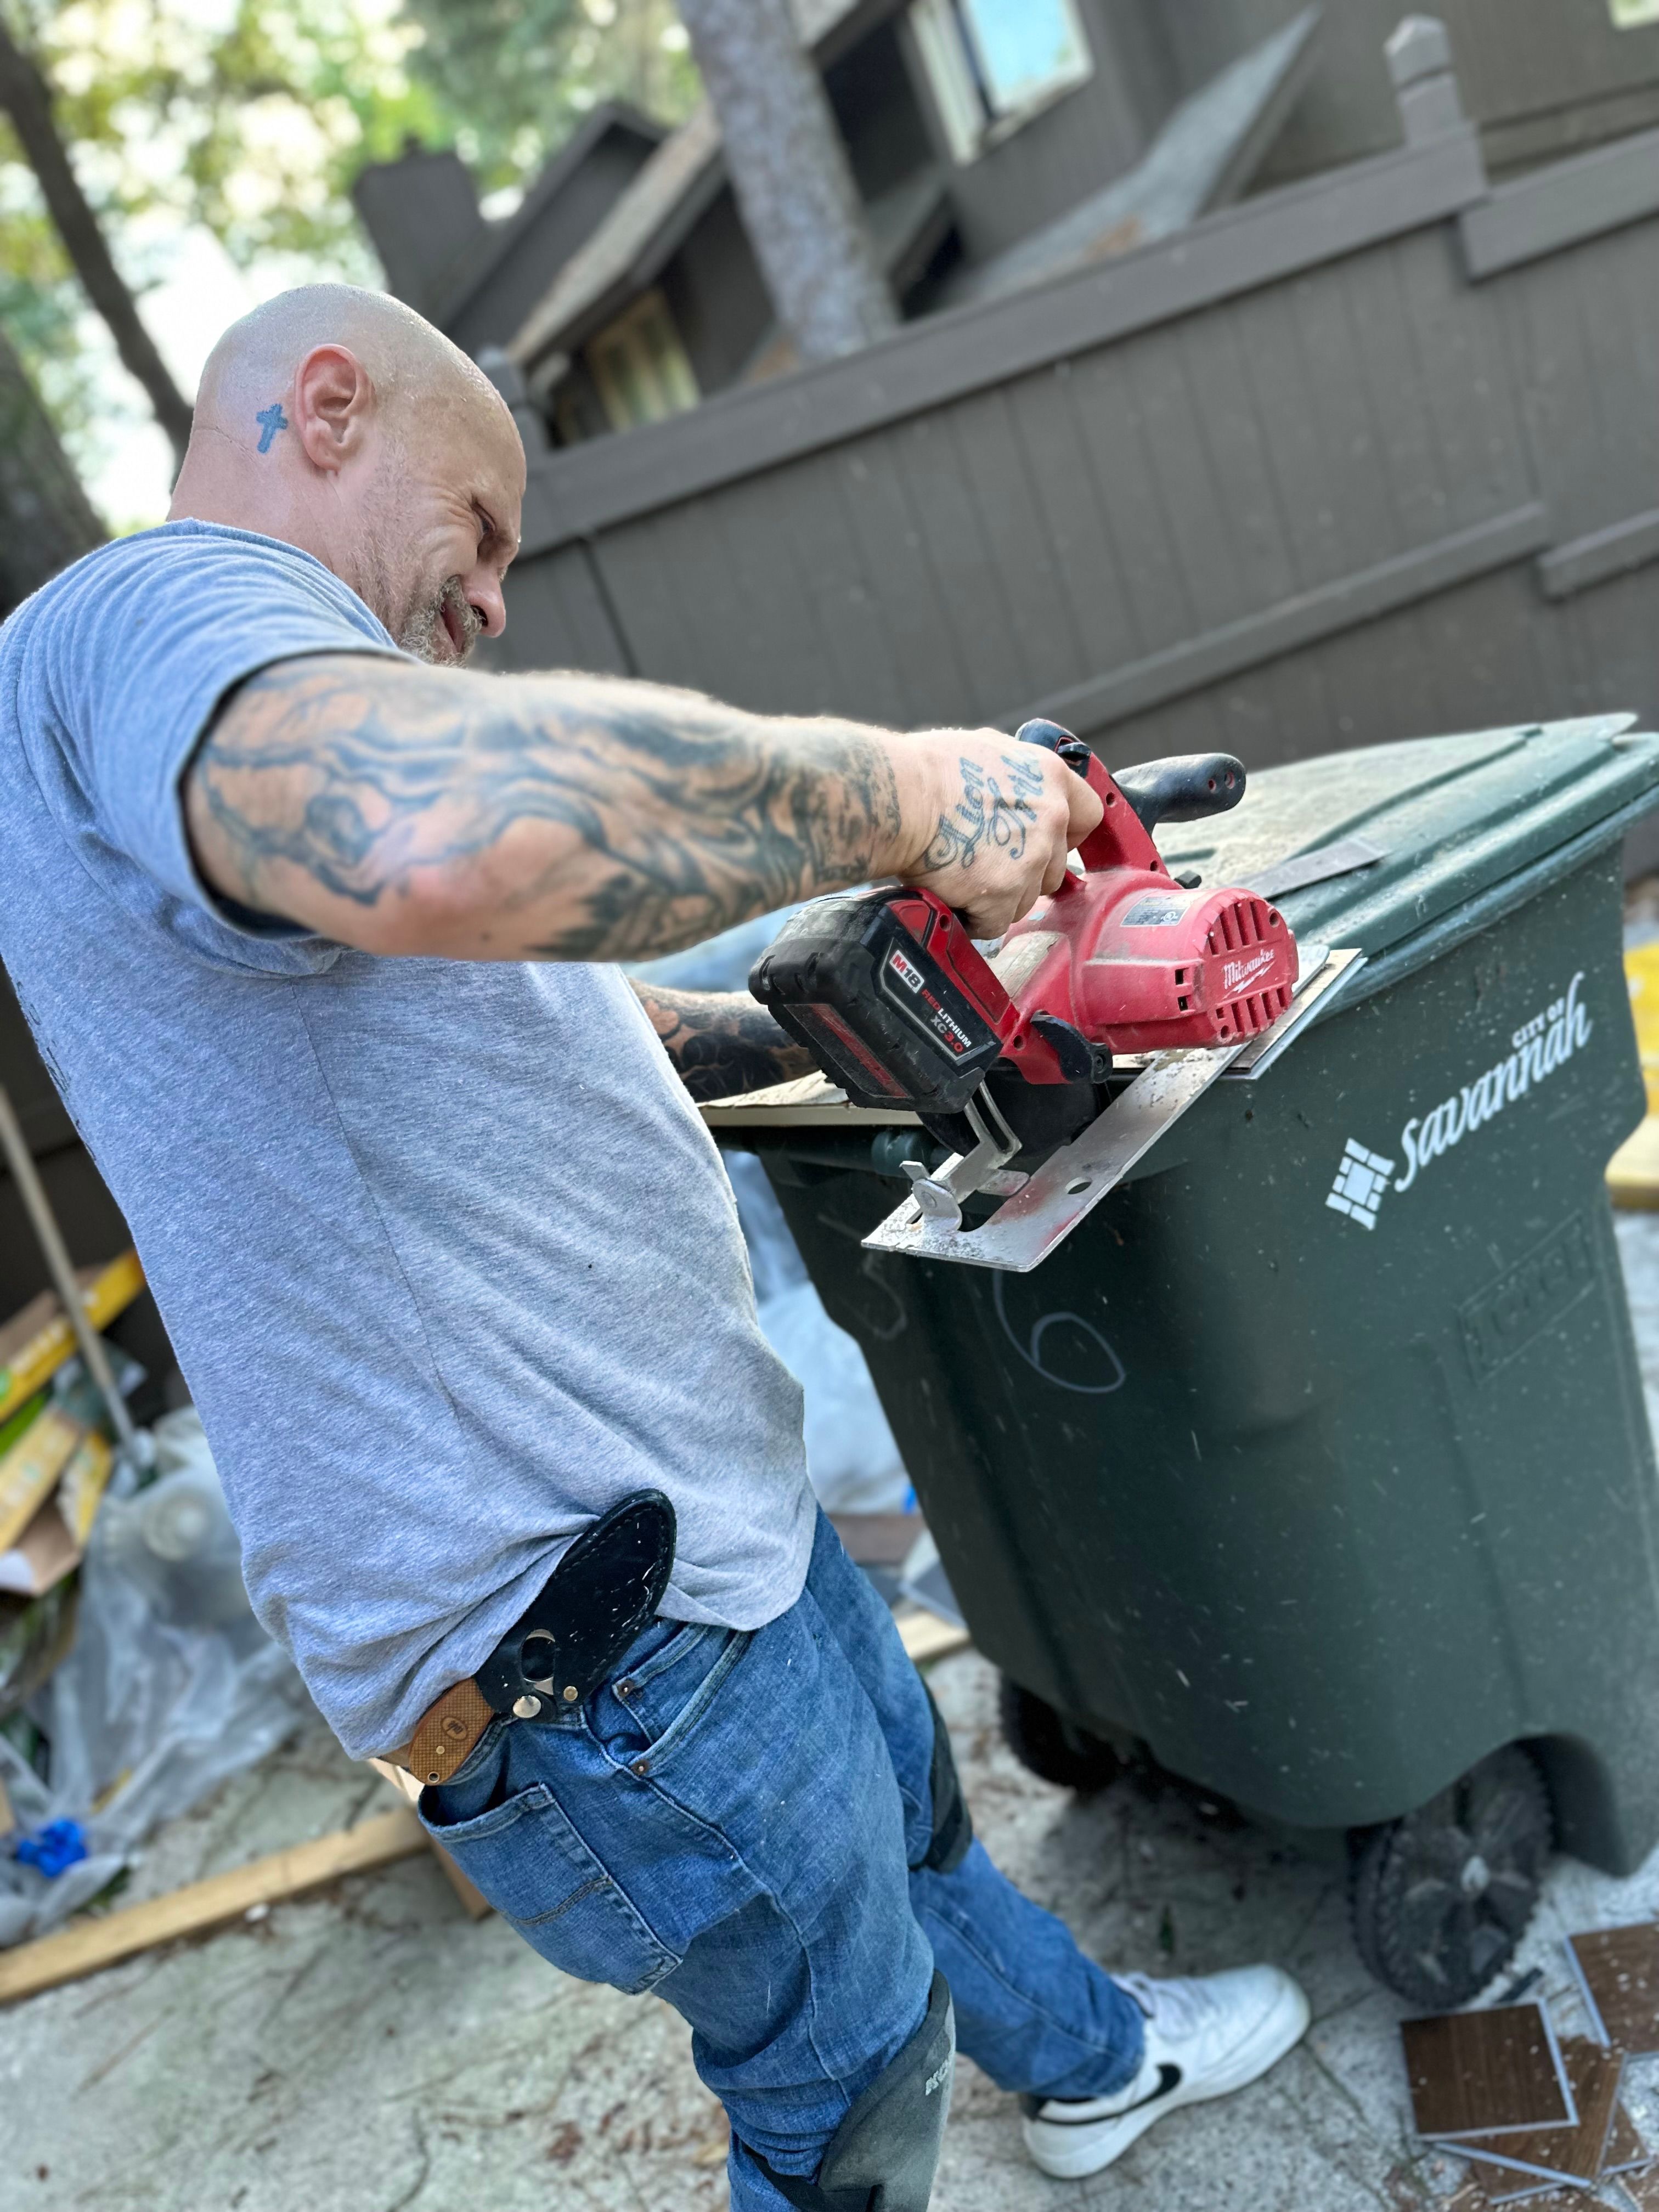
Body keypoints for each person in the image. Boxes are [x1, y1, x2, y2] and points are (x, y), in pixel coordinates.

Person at [0, 286, 1308, 2207]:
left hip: (692, 1519)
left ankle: (1093, 2063)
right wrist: (931, 795)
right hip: (599, 1628)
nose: (496, 598)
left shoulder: (203, 739)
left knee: (915, 1829)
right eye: (484, 528)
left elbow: (562, 1030)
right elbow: (428, 824)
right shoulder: (156, 616)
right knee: (840, 2084)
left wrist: (902, 998)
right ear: (329, 409)